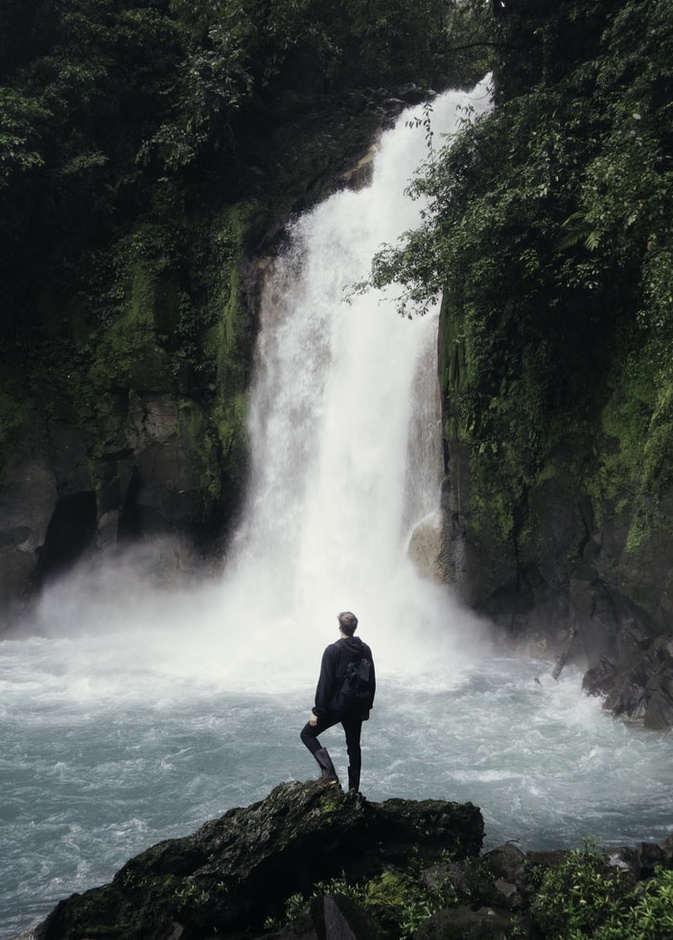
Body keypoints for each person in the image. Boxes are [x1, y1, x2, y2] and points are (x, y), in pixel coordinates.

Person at [300, 610, 376, 795]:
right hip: (357, 706)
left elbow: (325, 683)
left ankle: (329, 773)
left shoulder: (333, 650)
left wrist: (317, 712)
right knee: (353, 747)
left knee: (307, 735)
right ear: (355, 627)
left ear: (340, 627)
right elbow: (372, 680)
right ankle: (353, 791)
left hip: (337, 707)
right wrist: (367, 706)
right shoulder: (365, 649)